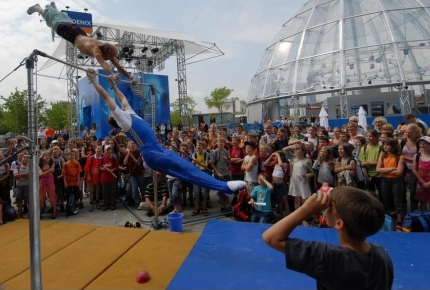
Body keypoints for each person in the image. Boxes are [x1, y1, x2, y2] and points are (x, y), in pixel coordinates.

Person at [85, 68, 246, 196]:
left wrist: (114, 85)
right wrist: (93, 80)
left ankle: (225, 187)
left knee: (188, 167)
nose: (119, 105)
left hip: (158, 149)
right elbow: (106, 96)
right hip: (151, 153)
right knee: (186, 171)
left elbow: (121, 98)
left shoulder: (130, 112)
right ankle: (225, 187)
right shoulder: (122, 120)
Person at [263, 186, 393, 290]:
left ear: (339, 223)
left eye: (329, 206)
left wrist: (306, 209)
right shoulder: (381, 255)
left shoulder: (328, 258)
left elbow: (271, 237)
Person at [27, 2, 134, 83]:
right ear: (107, 52)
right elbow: (103, 64)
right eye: (110, 57)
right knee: (52, 23)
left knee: (63, 19)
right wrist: (112, 74)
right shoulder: (96, 49)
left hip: (79, 32)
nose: (111, 59)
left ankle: (55, 10)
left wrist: (131, 78)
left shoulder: (107, 50)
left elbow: (119, 67)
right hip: (70, 33)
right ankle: (40, 9)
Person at [376, 138, 405, 232]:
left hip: (396, 181)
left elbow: (399, 172)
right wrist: (392, 168)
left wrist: (385, 170)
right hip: (385, 180)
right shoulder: (382, 155)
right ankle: (387, 220)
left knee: (397, 201)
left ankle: (399, 222)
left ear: (393, 146)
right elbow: (378, 170)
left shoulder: (399, 157)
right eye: (384, 144)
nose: (385, 146)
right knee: (385, 200)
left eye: (387, 145)